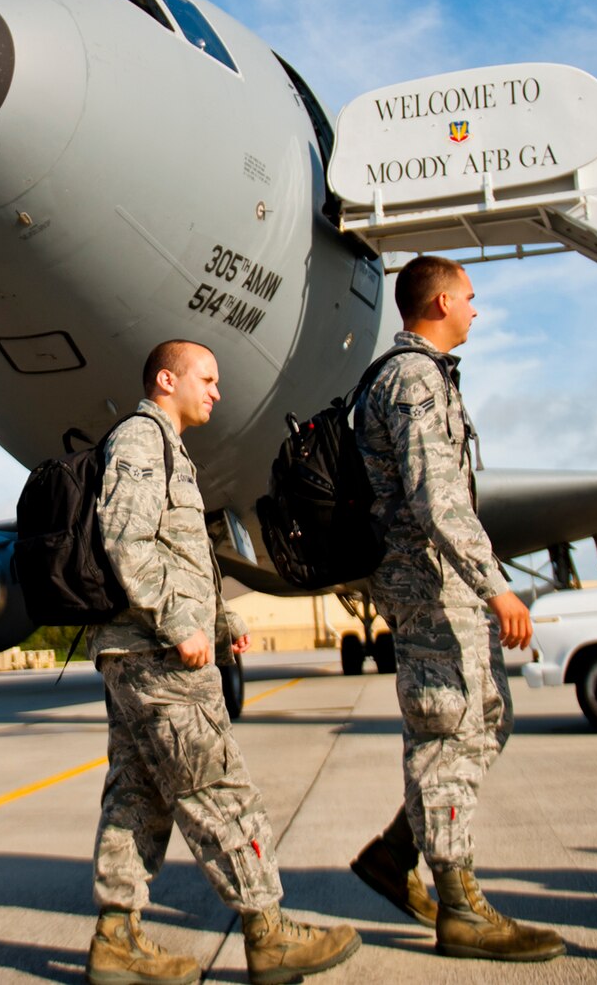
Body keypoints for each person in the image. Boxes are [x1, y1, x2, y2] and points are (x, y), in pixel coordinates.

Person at [87, 339, 360, 985]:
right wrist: (182, 625)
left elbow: (175, 551)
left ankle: (116, 939)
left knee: (138, 795)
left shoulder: (166, 448)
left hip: (141, 647)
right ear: (166, 378)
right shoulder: (140, 440)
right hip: (157, 654)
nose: (216, 391)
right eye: (206, 378)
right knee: (218, 787)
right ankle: (268, 933)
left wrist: (219, 617)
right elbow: (124, 539)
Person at [351, 256, 564, 962]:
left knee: (485, 723)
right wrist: (496, 584)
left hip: (443, 588)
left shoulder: (425, 374)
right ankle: (460, 902)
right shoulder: (412, 377)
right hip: (432, 589)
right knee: (448, 736)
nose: (477, 308)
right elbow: (436, 495)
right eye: (470, 297)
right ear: (442, 300)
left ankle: (396, 849)